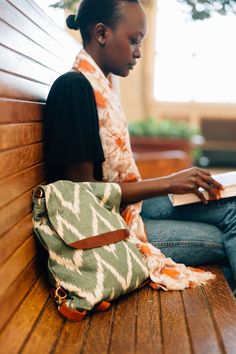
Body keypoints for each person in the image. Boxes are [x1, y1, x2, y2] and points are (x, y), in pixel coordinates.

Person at [45, 0, 236, 292]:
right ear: (101, 33)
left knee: (230, 203)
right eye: (134, 40)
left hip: (130, 208)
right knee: (225, 231)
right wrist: (170, 183)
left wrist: (174, 183)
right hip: (111, 226)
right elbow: (85, 195)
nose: (138, 52)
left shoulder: (100, 87)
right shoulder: (73, 89)